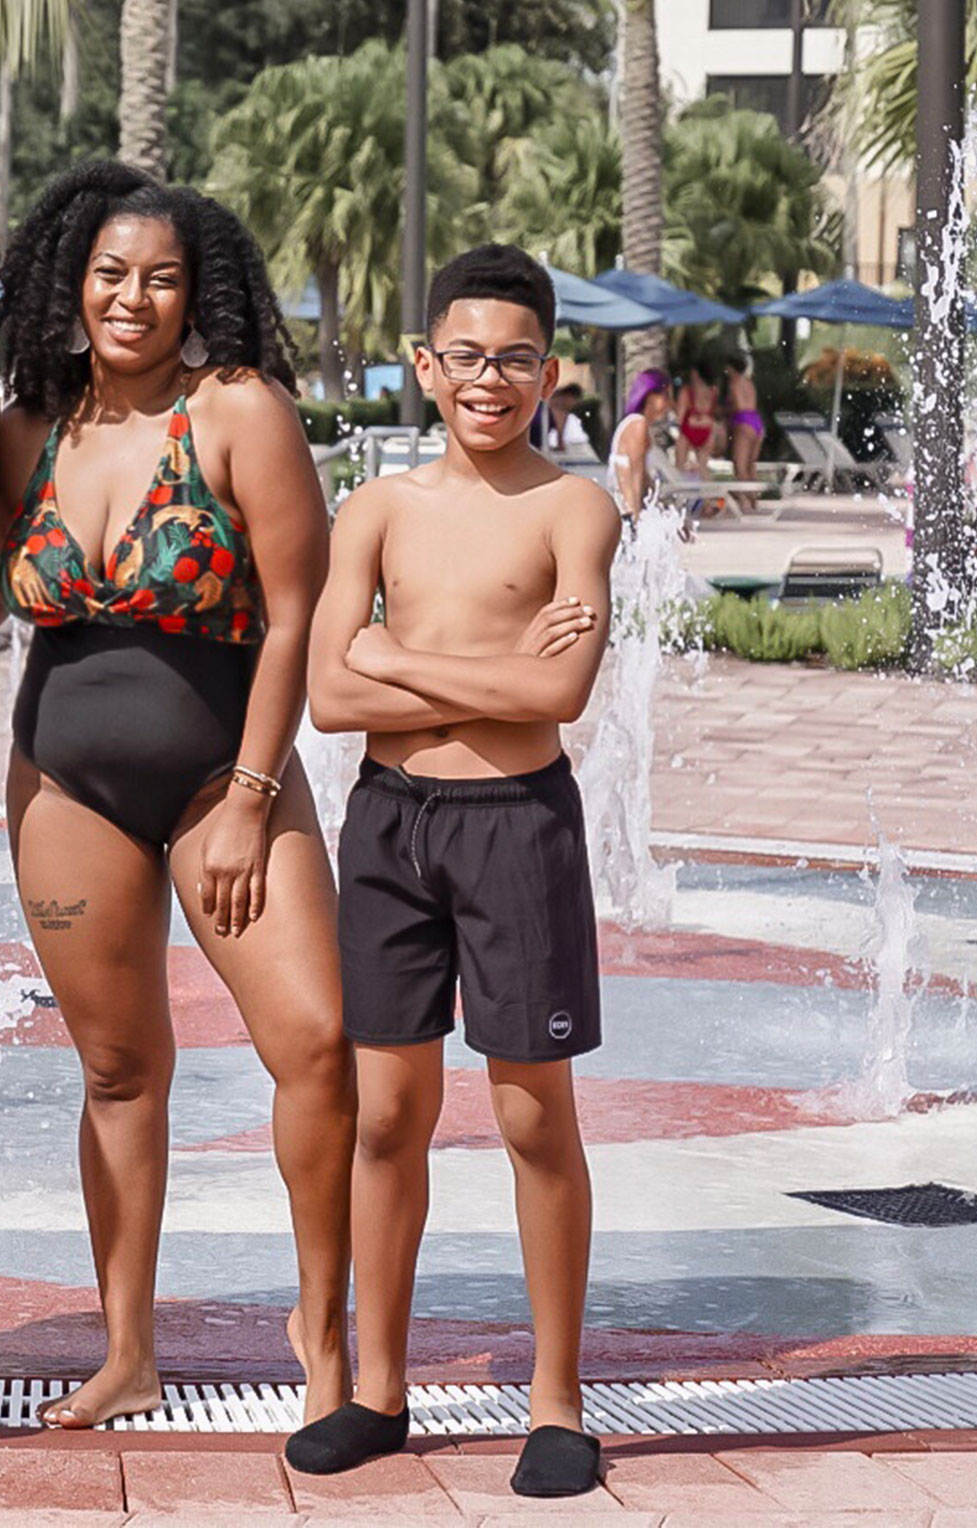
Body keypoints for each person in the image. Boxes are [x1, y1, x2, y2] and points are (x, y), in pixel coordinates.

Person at [0, 161, 357, 1432]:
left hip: (224, 778)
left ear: (196, 294)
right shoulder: (27, 431)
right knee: (118, 1073)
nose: (133, 297)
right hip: (65, 783)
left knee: (318, 1048)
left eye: (160, 278)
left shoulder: (237, 413)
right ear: (71, 284)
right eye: (111, 274)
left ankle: (322, 1332)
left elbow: (296, 620)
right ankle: (129, 1347)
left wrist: (246, 795)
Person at [305, 245, 615, 1497]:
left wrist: (401, 660)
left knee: (533, 1117)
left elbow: (561, 694)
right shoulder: (377, 507)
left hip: (515, 827)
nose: (492, 380)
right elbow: (329, 697)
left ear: (550, 370)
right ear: (428, 365)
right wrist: (388, 669)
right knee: (386, 1114)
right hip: (389, 823)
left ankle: (556, 1400)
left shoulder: (571, 509)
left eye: (518, 359)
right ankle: (379, 1385)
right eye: (468, 356)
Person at [611, 370, 672, 520]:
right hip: (627, 509)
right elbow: (633, 473)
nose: (669, 403)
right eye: (666, 396)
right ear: (650, 395)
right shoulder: (638, 424)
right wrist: (635, 517)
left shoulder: (638, 424)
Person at [724, 355, 765, 484]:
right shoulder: (749, 382)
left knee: (740, 467)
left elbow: (736, 405)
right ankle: (753, 500)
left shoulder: (734, 382)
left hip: (743, 421)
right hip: (756, 420)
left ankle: (744, 500)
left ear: (731, 368)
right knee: (751, 464)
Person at [673, 362, 720, 472]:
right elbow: (715, 412)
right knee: (703, 469)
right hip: (707, 431)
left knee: (679, 468)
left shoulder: (686, 392)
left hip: (688, 432)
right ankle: (708, 489)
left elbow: (679, 418)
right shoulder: (713, 392)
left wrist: (672, 404)